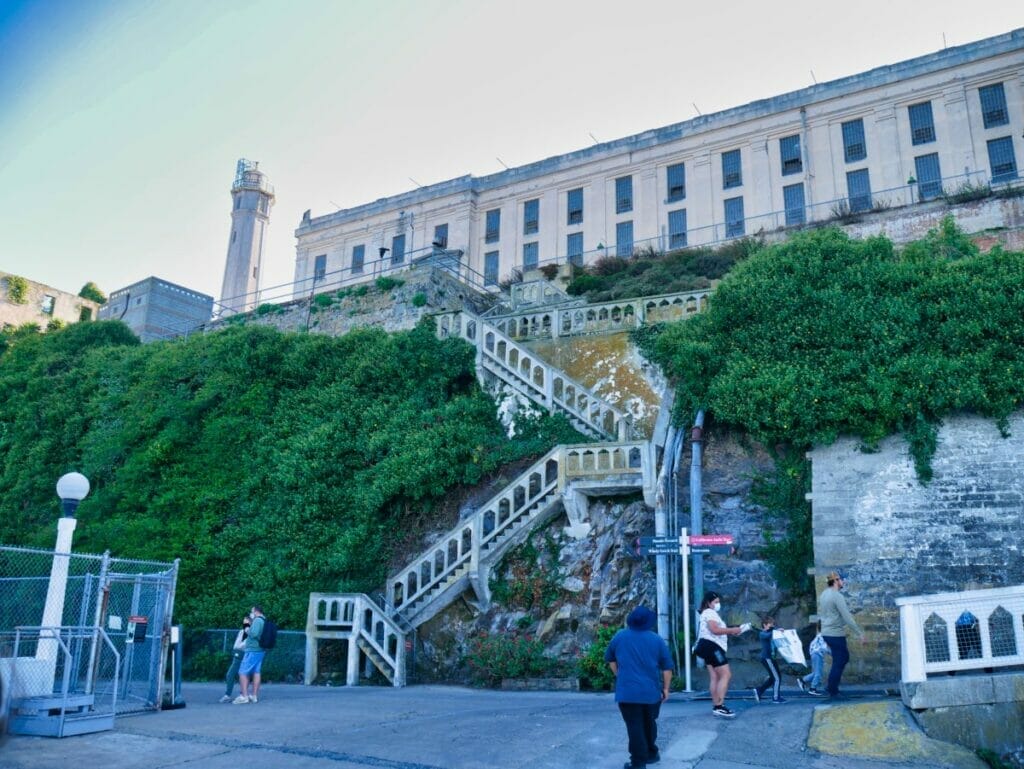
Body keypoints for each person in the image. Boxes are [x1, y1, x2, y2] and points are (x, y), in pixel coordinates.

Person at [604, 606, 674, 769]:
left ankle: (638, 763)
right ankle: (651, 753)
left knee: (635, 726)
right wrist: (665, 689)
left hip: (627, 692)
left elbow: (610, 659)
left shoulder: (620, 636)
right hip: (651, 693)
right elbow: (667, 668)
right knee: (649, 723)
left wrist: (619, 675)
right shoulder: (656, 640)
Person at [693, 591, 751, 719]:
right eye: (716, 602)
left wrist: (733, 631)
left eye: (719, 602)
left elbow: (716, 630)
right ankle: (719, 706)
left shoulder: (706, 613)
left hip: (706, 647)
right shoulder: (710, 613)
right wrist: (732, 630)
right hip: (713, 647)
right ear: (709, 603)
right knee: (726, 674)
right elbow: (715, 630)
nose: (718, 604)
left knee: (714, 676)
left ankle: (716, 705)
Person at [818, 571, 865, 698]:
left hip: (827, 632)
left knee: (840, 659)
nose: (843, 582)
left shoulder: (823, 594)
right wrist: (859, 633)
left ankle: (831, 687)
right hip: (835, 634)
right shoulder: (836, 596)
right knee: (841, 659)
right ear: (836, 580)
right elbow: (847, 617)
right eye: (842, 580)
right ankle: (832, 689)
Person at [234, 604, 267, 704]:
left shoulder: (257, 620)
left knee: (242, 672)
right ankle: (254, 696)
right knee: (256, 672)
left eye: (252, 611)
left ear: (256, 611)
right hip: (260, 650)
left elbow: (254, 634)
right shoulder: (264, 620)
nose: (250, 613)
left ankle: (244, 696)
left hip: (253, 650)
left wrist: (246, 627)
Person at [752, 615, 785, 704]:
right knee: (777, 678)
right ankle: (775, 697)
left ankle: (759, 690)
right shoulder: (762, 633)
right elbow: (768, 635)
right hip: (767, 659)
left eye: (773, 625)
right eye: (770, 625)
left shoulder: (772, 632)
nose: (772, 626)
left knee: (773, 678)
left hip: (771, 658)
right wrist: (776, 631)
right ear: (765, 625)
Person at [219, 616, 251, 703]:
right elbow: (237, 644)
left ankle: (242, 694)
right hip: (237, 654)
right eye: (244, 622)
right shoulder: (241, 632)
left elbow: (244, 645)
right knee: (230, 674)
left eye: (247, 622)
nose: (245, 624)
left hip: (244, 654)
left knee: (243, 675)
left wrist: (238, 648)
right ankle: (229, 694)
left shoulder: (251, 633)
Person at [798, 624, 829, 696]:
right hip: (818, 654)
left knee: (816, 672)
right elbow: (824, 647)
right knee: (818, 673)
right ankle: (813, 688)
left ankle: (802, 680)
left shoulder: (819, 635)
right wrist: (832, 653)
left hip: (815, 654)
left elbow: (813, 645)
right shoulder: (823, 636)